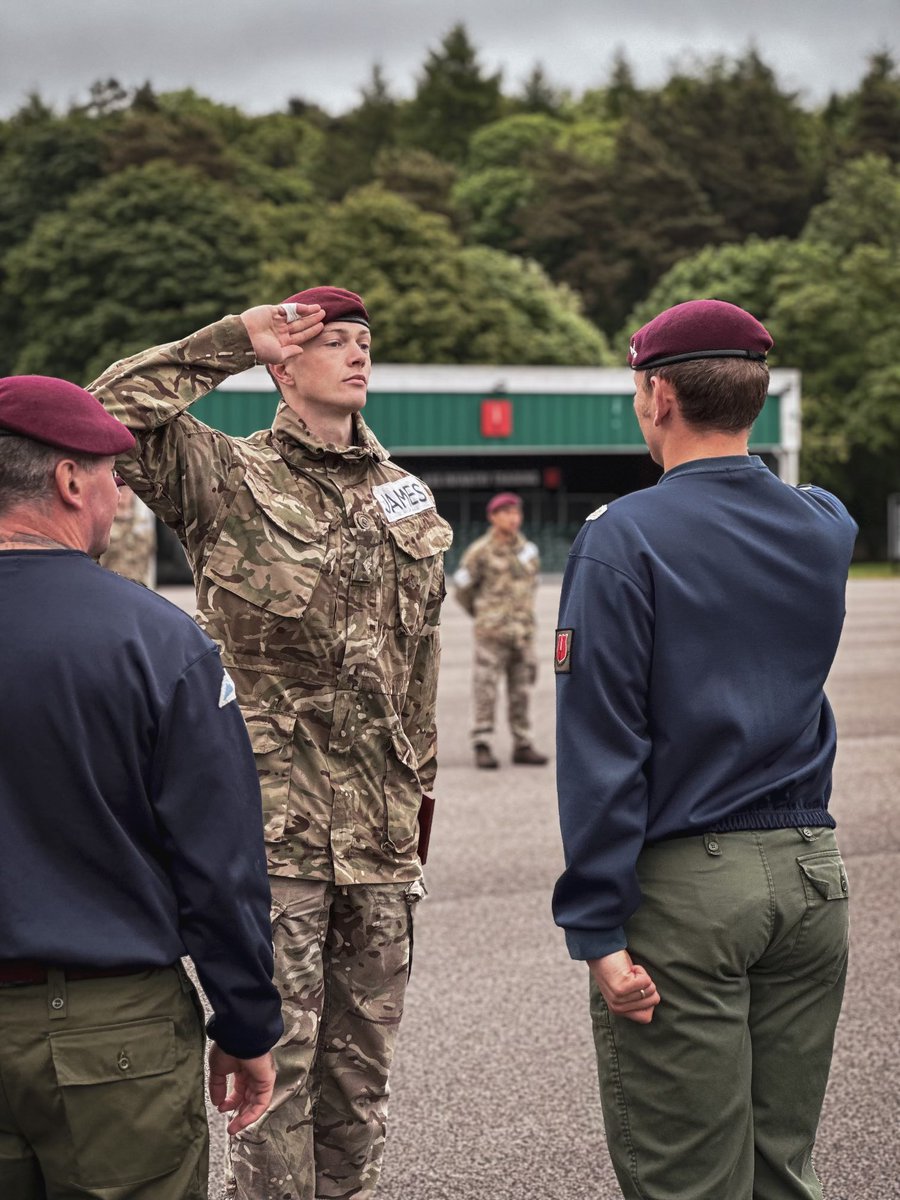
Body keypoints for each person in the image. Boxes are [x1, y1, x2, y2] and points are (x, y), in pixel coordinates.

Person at [88, 287, 453, 1200]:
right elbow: (101, 417)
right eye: (335, 340)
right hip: (272, 836)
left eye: (366, 340)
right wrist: (230, 341)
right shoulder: (227, 476)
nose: (359, 353)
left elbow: (419, 673)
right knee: (272, 1081)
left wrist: (422, 806)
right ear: (283, 364)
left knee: (358, 1092)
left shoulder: (405, 497)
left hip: (378, 842)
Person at [552, 300, 857, 1200]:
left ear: (656, 396)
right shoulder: (825, 526)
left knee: (688, 1180)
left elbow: (602, 744)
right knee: (778, 1172)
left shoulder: (622, 538)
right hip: (812, 874)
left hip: (691, 890)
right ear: (754, 397)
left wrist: (597, 925)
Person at [0, 375, 283, 1200]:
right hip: (109, 1035)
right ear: (68, 481)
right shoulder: (159, 642)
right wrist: (245, 1021)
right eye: (114, 477)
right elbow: (219, 864)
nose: (122, 497)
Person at [453, 492, 549, 769]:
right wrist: (482, 614)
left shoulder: (528, 549)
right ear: (493, 517)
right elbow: (462, 587)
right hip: (491, 634)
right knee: (486, 688)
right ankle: (482, 742)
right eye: (506, 513)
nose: (513, 518)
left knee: (522, 689)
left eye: (516, 513)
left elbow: (532, 585)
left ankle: (523, 743)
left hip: (522, 633)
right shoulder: (480, 551)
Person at [100, 481, 157, 585]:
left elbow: (149, 556)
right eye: (121, 490)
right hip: (113, 584)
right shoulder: (106, 523)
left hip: (139, 585)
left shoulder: (142, 523)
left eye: (129, 491)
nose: (125, 494)